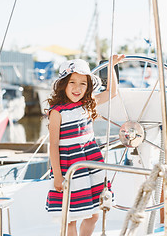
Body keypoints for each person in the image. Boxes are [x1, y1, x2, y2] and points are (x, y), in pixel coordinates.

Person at [45, 54, 125, 235]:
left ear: (88, 86)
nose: (77, 88)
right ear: (63, 84)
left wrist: (110, 65)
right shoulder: (57, 112)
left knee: (94, 214)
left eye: (83, 83)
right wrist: (57, 176)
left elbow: (112, 92)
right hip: (68, 166)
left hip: (90, 163)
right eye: (72, 82)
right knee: (70, 218)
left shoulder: (88, 104)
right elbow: (53, 145)